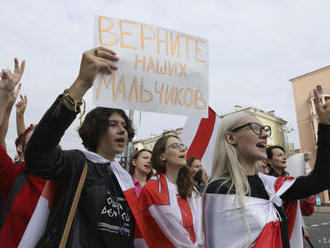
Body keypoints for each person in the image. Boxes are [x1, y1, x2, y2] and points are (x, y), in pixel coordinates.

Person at [24, 47, 145, 247]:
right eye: (113, 124)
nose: (122, 130)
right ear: (96, 130)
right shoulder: (76, 164)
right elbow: (38, 155)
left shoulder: (125, 181)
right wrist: (81, 84)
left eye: (124, 125)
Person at [204, 87, 330, 248]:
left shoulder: (271, 185)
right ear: (231, 137)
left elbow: (322, 179)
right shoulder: (219, 190)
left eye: (265, 129)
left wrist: (325, 124)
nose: (264, 134)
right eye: (255, 128)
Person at [0, 59, 46, 248]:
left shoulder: (63, 181)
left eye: (46, 138)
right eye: (34, 139)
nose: (42, 142)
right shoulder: (14, 177)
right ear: (21, 147)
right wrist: (4, 98)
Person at [136, 135, 204, 248]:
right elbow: (143, 233)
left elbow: (202, 228)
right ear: (162, 156)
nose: (182, 149)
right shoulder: (151, 191)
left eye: (183, 146)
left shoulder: (192, 191)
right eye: (175, 146)